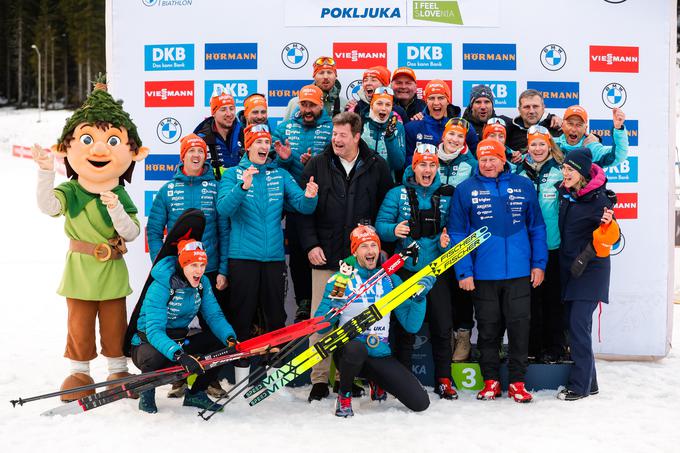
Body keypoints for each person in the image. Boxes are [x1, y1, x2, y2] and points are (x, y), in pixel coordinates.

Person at [32, 83, 147, 401]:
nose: (99, 151)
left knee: (114, 323)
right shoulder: (71, 190)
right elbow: (49, 207)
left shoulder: (119, 192)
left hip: (111, 267)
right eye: (87, 140)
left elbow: (132, 232)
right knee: (79, 323)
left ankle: (117, 371)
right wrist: (45, 173)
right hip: (81, 269)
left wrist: (116, 209)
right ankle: (78, 372)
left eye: (112, 141)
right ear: (68, 147)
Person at [299, 112, 393, 401]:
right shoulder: (317, 164)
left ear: (356, 136)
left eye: (342, 135)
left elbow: (385, 209)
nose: (336, 140)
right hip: (326, 258)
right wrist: (310, 245)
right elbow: (301, 212)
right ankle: (318, 378)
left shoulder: (377, 165)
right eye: (334, 134)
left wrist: (377, 248)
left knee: (353, 320)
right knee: (323, 319)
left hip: (359, 264)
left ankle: (345, 378)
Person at [449, 139, 548, 403]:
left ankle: (517, 382)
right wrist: (464, 271)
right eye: (483, 159)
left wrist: (539, 264)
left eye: (493, 159)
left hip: (519, 273)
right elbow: (458, 234)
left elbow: (537, 228)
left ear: (503, 160)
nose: (488, 164)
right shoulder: (465, 189)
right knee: (488, 329)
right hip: (482, 275)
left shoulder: (524, 185)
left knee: (519, 328)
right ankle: (490, 380)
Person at [217, 124, 318, 382]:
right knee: (242, 316)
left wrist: (309, 196)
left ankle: (275, 376)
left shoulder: (280, 175)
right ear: (248, 146)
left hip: (273, 258)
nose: (263, 147)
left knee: (275, 316)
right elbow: (223, 210)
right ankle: (240, 375)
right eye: (258, 142)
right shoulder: (232, 174)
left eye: (266, 142)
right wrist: (242, 187)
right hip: (242, 258)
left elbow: (302, 206)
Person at [314, 225, 434, 417]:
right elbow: (321, 328)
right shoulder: (341, 279)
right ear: (354, 251)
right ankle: (344, 396)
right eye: (364, 246)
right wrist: (334, 305)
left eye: (373, 245)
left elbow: (411, 326)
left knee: (420, 403)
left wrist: (420, 300)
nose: (370, 251)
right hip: (348, 353)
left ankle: (376, 380)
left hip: (379, 352)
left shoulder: (390, 280)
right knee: (355, 349)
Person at [146, 133, 230, 398]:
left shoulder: (215, 187)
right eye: (191, 151)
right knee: (172, 326)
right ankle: (178, 377)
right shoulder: (168, 190)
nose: (196, 156)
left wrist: (224, 269)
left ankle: (209, 381)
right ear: (182, 156)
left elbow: (224, 230)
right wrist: (161, 266)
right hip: (177, 271)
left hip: (209, 269)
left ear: (206, 156)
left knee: (211, 325)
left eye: (201, 152)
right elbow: (154, 230)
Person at [376, 145, 459, 399]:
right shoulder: (396, 193)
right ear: (414, 167)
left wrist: (448, 242)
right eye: (422, 164)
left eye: (432, 165)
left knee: (443, 327)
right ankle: (403, 379)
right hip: (405, 271)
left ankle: (443, 378)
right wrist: (394, 231)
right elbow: (381, 225)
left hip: (436, 270)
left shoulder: (448, 194)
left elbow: (457, 229)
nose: (427, 170)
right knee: (404, 328)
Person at [130, 238, 237, 414]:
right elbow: (154, 331)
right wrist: (180, 356)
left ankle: (196, 393)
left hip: (180, 343)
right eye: (193, 265)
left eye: (202, 265)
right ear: (182, 264)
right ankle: (146, 394)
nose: (199, 271)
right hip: (147, 344)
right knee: (153, 355)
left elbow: (214, 316)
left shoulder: (203, 284)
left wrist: (229, 337)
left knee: (220, 344)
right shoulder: (161, 286)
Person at [556, 148, 620, 401]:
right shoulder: (567, 193)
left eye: (570, 170)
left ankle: (580, 386)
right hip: (571, 270)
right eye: (564, 168)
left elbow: (611, 236)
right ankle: (590, 382)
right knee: (575, 326)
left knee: (577, 327)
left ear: (582, 173)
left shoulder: (600, 200)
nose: (565, 173)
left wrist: (608, 224)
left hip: (590, 271)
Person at [273, 85, 333, 321]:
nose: (307, 110)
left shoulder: (332, 128)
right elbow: (275, 170)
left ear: (321, 105)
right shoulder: (284, 128)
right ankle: (303, 303)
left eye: (312, 105)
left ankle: (325, 301)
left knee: (322, 253)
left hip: (324, 204)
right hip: (296, 204)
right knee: (298, 255)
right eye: (304, 104)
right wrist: (287, 161)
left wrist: (315, 163)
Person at [515, 125, 568, 363]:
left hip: (553, 247)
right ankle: (532, 347)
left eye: (542, 143)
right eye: (533, 144)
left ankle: (555, 347)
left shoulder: (560, 170)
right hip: (525, 249)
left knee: (553, 301)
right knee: (530, 303)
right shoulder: (518, 172)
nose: (537, 148)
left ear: (550, 144)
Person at [434, 118, 477, 361]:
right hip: (434, 235)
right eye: (451, 134)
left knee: (462, 288)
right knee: (442, 290)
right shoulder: (429, 158)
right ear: (444, 135)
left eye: (460, 136)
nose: (454, 140)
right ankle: (445, 334)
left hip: (461, 234)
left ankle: (463, 334)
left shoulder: (471, 164)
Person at [405, 80, 478, 166]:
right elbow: (408, 163)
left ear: (448, 101)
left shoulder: (465, 127)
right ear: (426, 101)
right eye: (431, 98)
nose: (436, 103)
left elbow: (474, 159)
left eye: (441, 98)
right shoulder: (412, 127)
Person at [556, 105, 628, 167]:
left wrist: (618, 128)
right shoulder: (552, 145)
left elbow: (617, 156)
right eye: (570, 124)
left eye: (579, 125)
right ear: (562, 125)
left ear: (585, 128)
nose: (574, 129)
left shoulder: (592, 149)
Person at [359, 86, 406, 179]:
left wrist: (390, 138)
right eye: (379, 103)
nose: (383, 108)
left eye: (388, 105)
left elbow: (398, 165)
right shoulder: (361, 123)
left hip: (386, 182)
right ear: (372, 105)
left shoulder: (398, 127)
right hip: (362, 182)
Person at [194, 92, 242, 175]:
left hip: (241, 186)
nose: (229, 114)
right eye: (223, 109)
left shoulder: (244, 133)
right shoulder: (201, 139)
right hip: (213, 187)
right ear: (214, 113)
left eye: (231, 108)